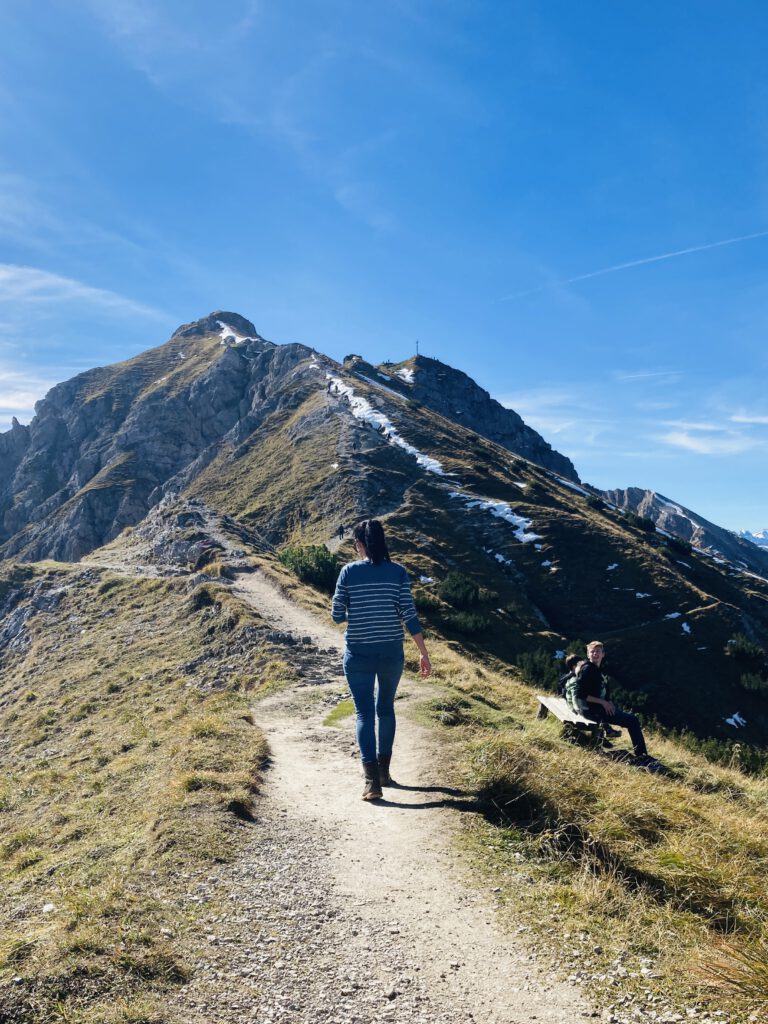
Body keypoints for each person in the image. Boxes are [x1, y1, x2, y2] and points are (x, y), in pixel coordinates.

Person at [331, 518, 432, 800]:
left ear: (359, 545)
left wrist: (356, 611)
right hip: (391, 654)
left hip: (358, 653)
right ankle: (385, 772)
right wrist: (423, 653)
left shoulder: (348, 572)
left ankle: (372, 783)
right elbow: (409, 615)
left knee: (364, 713)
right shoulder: (398, 572)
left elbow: (337, 615)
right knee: (385, 709)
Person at [574, 641, 657, 766]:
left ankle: (641, 755)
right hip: (591, 710)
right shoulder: (587, 670)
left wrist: (608, 702)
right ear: (588, 654)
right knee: (632, 720)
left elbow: (602, 691)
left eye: (598, 651)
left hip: (596, 707)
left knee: (627, 718)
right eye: (592, 651)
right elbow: (580, 694)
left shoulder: (597, 670)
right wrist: (603, 702)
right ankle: (642, 756)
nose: (595, 654)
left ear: (603, 654)